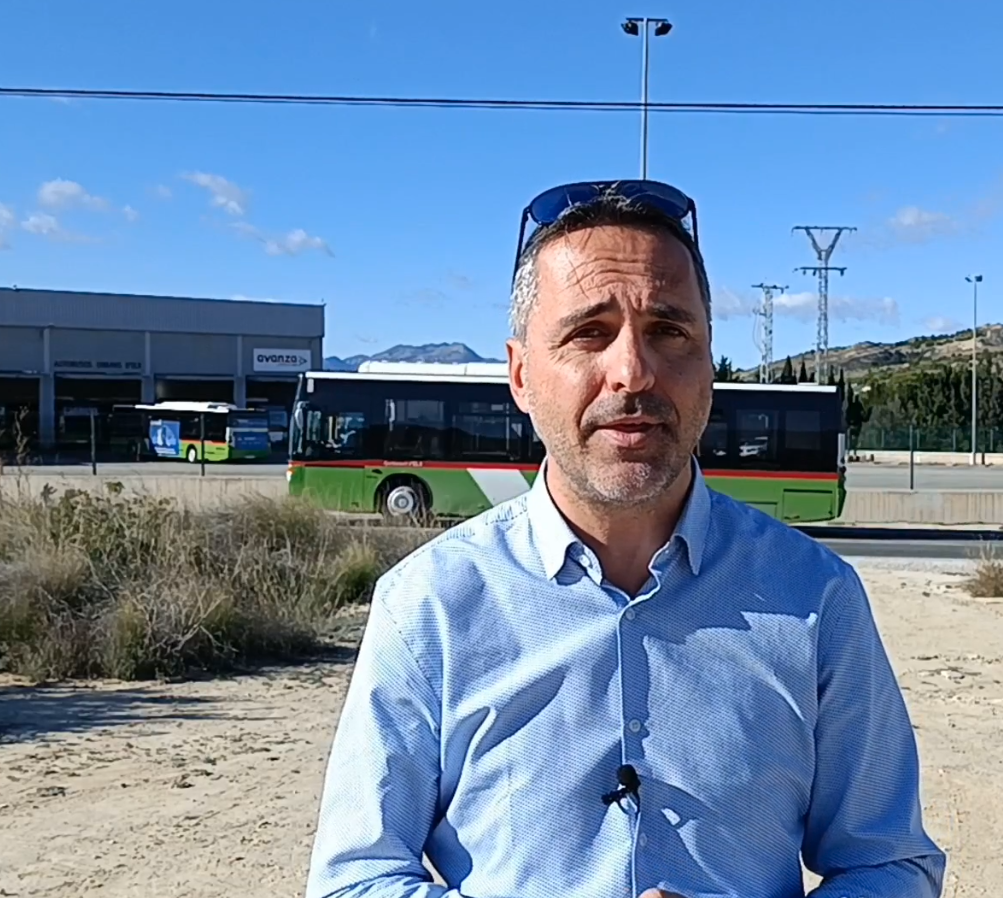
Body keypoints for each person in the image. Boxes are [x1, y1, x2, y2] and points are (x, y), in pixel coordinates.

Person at [305, 180, 947, 898]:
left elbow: (889, 864)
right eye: (589, 332)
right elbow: (354, 879)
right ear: (520, 375)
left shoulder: (817, 599)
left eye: (669, 332)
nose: (634, 373)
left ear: (710, 368)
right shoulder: (428, 606)